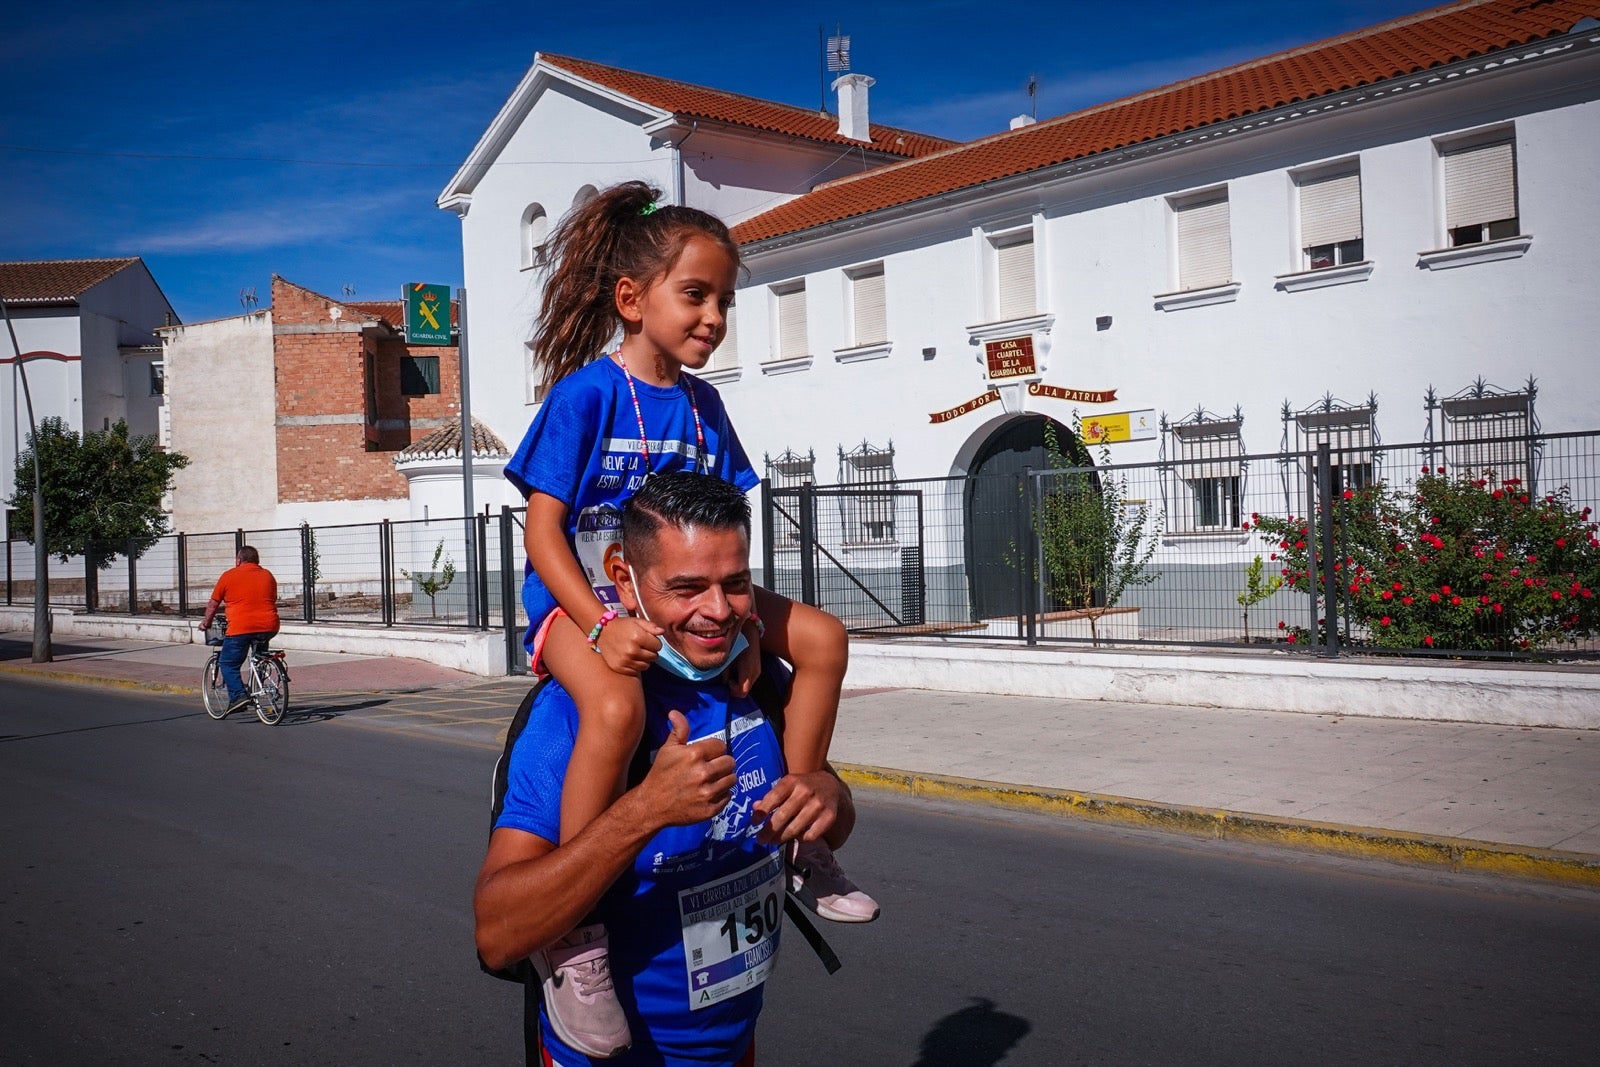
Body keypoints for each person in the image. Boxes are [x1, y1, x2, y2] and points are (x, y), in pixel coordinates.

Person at [503, 181, 878, 1052]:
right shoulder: (586, 396)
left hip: (680, 601)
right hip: (580, 605)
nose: (713, 317)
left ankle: (799, 825)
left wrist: (743, 625)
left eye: (724, 301)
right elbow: (543, 530)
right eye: (696, 294)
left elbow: (728, 536)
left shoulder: (705, 406)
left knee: (823, 638)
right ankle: (573, 932)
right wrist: (597, 623)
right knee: (614, 706)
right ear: (632, 300)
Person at [475, 472, 857, 1066]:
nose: (717, 612)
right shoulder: (573, 715)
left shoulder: (757, 680)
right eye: (686, 588)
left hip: (734, 1046)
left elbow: (827, 820)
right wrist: (643, 812)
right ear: (625, 580)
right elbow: (499, 932)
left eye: (735, 584)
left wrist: (828, 792)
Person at [196, 545, 281, 712]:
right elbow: (272, 599)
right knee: (259, 658)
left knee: (228, 663)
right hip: (269, 626)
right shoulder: (268, 575)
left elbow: (213, 604)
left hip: (241, 628)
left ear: (238, 560)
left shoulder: (229, 576)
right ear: (257, 561)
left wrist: (206, 623)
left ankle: (238, 696)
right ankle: (259, 685)